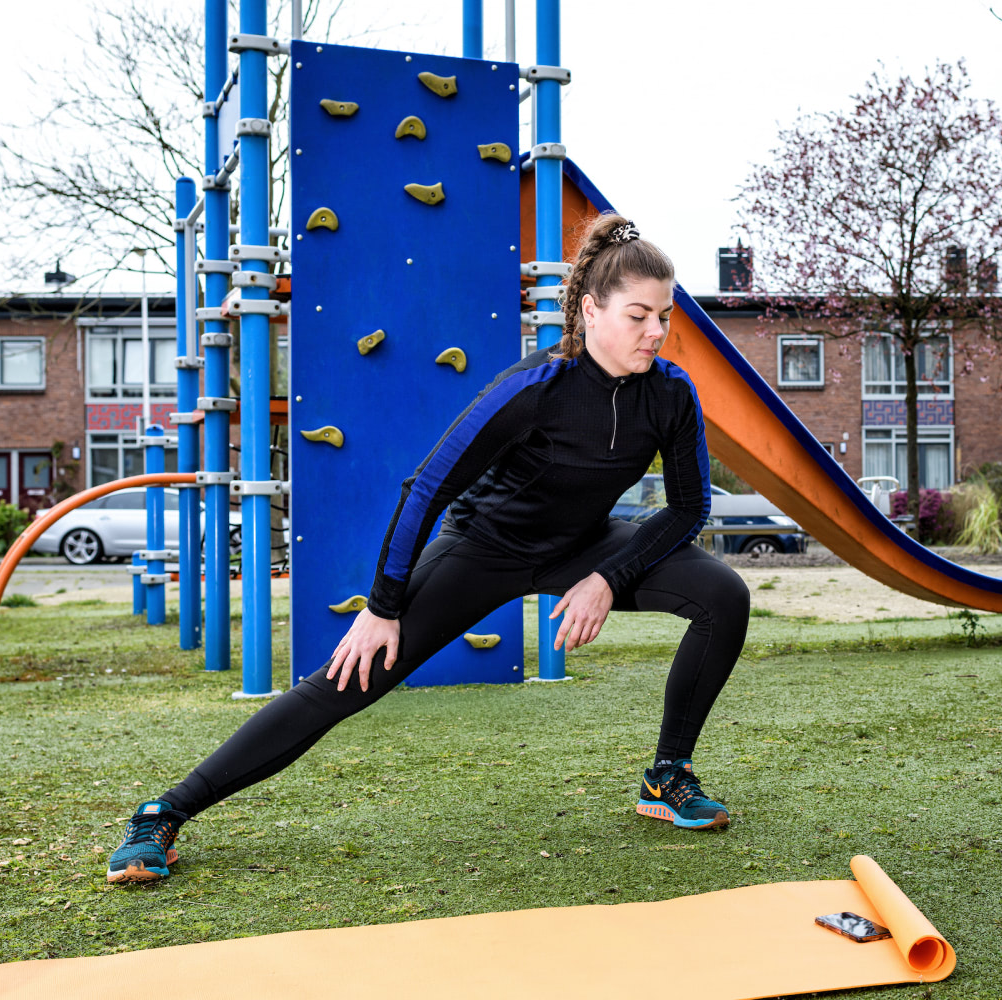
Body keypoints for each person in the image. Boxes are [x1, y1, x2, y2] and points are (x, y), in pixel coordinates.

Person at [106, 215, 751, 884]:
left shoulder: (671, 394)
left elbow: (687, 507)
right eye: (640, 315)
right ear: (591, 311)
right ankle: (163, 814)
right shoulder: (533, 389)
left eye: (665, 316)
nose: (656, 331)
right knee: (345, 681)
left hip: (583, 545)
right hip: (485, 548)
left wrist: (609, 580)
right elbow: (426, 490)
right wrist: (382, 607)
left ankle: (667, 777)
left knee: (723, 596)